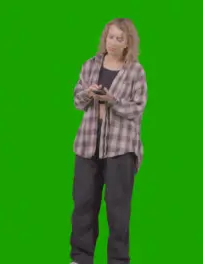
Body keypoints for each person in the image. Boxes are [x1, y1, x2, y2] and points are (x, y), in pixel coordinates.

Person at [69, 18, 148, 264]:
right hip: (87, 146)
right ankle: (81, 258)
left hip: (120, 148)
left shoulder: (136, 71)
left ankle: (118, 260)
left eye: (119, 39)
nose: (113, 42)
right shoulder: (90, 65)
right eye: (110, 37)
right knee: (83, 204)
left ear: (128, 43)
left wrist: (112, 100)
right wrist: (88, 93)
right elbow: (76, 100)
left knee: (118, 210)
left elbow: (138, 108)